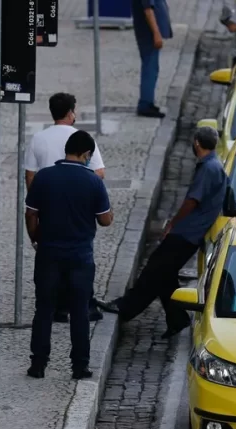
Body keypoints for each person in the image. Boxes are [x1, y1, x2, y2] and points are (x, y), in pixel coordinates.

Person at [96, 127, 227, 339]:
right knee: (165, 275)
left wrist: (172, 224)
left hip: (186, 233)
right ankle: (177, 319)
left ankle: (126, 307)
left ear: (196, 144)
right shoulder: (215, 164)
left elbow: (192, 200)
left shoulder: (209, 168)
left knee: (154, 271)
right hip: (192, 233)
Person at [24, 130, 114, 379]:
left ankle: (38, 364)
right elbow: (105, 220)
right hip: (80, 256)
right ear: (86, 154)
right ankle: (79, 366)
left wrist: (35, 238)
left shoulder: (44, 177)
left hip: (49, 253)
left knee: (44, 308)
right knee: (79, 310)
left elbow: (31, 213)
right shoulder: (93, 182)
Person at [25, 92, 106, 323]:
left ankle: (57, 307)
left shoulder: (38, 139)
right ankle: (85, 304)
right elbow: (99, 172)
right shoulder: (81, 138)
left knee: (52, 257)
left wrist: (37, 203)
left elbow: (30, 176)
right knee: (81, 255)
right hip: (79, 204)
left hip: (48, 205)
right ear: (71, 113)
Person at [132, 0, 173, 118]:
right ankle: (145, 104)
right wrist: (156, 33)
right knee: (150, 68)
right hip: (148, 32)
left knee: (152, 67)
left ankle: (148, 101)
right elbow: (148, 10)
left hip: (148, 32)